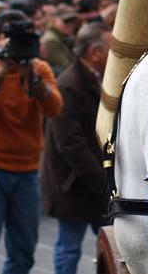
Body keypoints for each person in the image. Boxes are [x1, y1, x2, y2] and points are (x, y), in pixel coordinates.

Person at [0, 10, 62, 274]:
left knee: (23, 253)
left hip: (26, 172)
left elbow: (55, 108)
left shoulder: (39, 68)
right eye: (7, 37)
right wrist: (0, 74)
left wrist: (35, 82)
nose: (11, 44)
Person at [40, 22, 110, 274]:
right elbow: (71, 145)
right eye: (110, 48)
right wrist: (104, 182)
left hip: (91, 182)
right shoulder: (68, 84)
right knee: (69, 248)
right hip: (72, 184)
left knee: (112, 244)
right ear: (94, 52)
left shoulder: (97, 79)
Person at [40, 5, 81, 77]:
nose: (70, 25)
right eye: (66, 21)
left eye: (73, 22)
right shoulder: (51, 40)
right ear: (55, 20)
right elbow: (66, 67)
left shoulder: (63, 36)